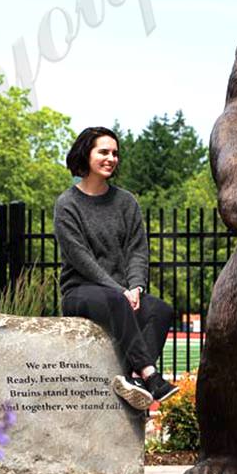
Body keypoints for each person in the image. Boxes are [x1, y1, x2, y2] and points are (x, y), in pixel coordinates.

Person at [54, 126, 177, 411]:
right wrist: (120, 290)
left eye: (115, 153)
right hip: (81, 290)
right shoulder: (67, 204)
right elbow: (80, 258)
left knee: (161, 310)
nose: (111, 158)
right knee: (114, 301)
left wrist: (135, 287)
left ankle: (132, 381)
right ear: (86, 155)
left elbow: (137, 250)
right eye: (103, 152)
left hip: (122, 293)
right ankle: (150, 376)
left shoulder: (126, 202)